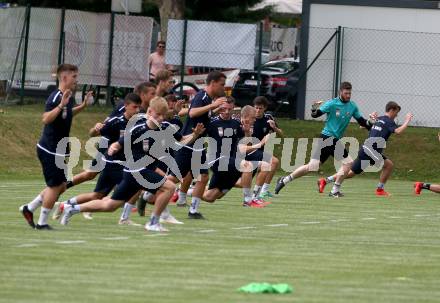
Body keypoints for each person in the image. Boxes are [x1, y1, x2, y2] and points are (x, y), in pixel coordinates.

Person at [60, 97, 205, 232]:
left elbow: (181, 141)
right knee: (169, 187)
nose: (161, 118)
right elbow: (119, 143)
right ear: (149, 112)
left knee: (111, 205)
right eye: (158, 115)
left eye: (163, 115)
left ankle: (71, 209)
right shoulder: (139, 129)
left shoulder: (166, 128)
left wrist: (195, 135)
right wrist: (114, 147)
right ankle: (153, 222)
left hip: (137, 172)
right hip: (136, 169)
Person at [275, 81, 377, 197]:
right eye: (346, 93)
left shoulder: (352, 106)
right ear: (340, 92)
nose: (348, 95)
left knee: (312, 166)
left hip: (330, 139)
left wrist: (371, 122)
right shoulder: (332, 104)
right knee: (348, 163)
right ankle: (334, 190)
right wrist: (314, 108)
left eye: (349, 93)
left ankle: (284, 180)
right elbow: (315, 115)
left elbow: (362, 122)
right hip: (328, 137)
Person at [52, 93, 141, 224]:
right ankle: (124, 218)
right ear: (126, 106)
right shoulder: (116, 122)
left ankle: (65, 206)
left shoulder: (138, 122)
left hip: (114, 164)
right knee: (133, 187)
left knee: (97, 195)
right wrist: (96, 128)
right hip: (115, 164)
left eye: (139, 108)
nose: (137, 110)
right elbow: (93, 134)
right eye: (135, 107)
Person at [19, 63, 89, 230]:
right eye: (74, 77)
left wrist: (83, 106)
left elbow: (67, 113)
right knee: (55, 186)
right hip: (50, 149)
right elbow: (46, 118)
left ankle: (29, 208)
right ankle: (42, 223)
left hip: (59, 149)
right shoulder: (56, 96)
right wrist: (60, 105)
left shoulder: (68, 96)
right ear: (64, 77)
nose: (76, 80)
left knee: (61, 185)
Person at [167, 71, 228, 219]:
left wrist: (213, 111)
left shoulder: (207, 100)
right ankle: (147, 194)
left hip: (198, 144)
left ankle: (193, 211)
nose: (223, 88)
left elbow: (201, 116)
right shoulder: (202, 96)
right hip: (188, 144)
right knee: (173, 179)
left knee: (203, 177)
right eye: (222, 84)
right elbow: (192, 113)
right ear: (213, 83)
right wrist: (214, 105)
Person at [319, 101, 413, 196]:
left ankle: (326, 180)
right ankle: (380, 190)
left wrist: (370, 120)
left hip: (366, 150)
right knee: (388, 165)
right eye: (396, 112)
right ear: (392, 110)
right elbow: (398, 131)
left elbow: (361, 126)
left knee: (351, 173)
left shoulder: (379, 119)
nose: (396, 115)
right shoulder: (389, 121)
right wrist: (407, 120)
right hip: (371, 151)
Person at [203, 99, 261, 207]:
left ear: (233, 109)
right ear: (220, 108)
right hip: (216, 160)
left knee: (210, 197)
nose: (226, 112)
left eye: (229, 109)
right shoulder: (212, 122)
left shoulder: (236, 123)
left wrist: (247, 132)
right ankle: (248, 201)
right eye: (224, 109)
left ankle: (186, 191)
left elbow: (246, 144)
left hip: (230, 162)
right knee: (247, 166)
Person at [248, 96, 283, 199]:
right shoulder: (249, 118)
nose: (257, 110)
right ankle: (259, 193)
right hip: (249, 151)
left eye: (260, 108)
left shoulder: (268, 118)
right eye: (256, 107)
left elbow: (282, 135)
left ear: (265, 108)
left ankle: (262, 191)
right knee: (240, 180)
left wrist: (274, 128)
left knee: (272, 163)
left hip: (261, 151)